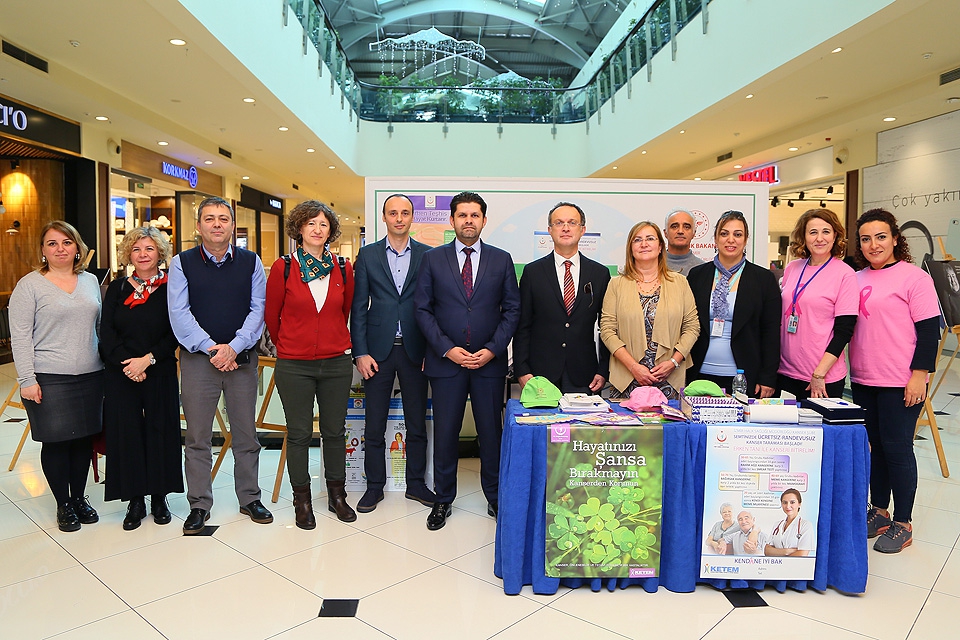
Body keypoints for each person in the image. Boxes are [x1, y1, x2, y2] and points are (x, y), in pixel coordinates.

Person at [414, 191, 521, 530]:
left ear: (484, 221)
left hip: (488, 363)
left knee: (492, 433)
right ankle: (443, 499)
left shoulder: (502, 259)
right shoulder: (433, 259)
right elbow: (423, 309)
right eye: (463, 215)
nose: (469, 221)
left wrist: (491, 349)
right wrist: (447, 349)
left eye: (475, 215)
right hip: (446, 363)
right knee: (446, 433)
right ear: (452, 220)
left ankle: (495, 496)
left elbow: (512, 310)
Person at [168, 196, 273, 534]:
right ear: (198, 226)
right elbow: (179, 314)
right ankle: (199, 504)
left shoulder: (251, 262)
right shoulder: (181, 263)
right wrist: (214, 348)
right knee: (198, 437)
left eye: (223, 218)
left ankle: (250, 498)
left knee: (246, 434)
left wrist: (234, 347)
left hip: (241, 360)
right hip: (200, 362)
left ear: (232, 226)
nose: (217, 224)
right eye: (210, 218)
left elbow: (258, 310)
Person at [849, 208, 940, 553]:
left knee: (898, 449)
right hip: (863, 378)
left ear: (896, 239)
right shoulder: (855, 279)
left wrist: (919, 375)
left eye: (881, 237)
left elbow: (929, 330)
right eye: (867, 239)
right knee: (875, 447)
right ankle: (880, 511)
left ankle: (903, 522)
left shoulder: (914, 278)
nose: (874, 245)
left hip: (901, 380)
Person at [266, 200, 357, 527]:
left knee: (334, 431)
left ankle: (337, 496)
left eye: (323, 225)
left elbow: (343, 312)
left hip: (336, 362)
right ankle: (301, 500)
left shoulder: (343, 268)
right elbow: (272, 316)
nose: (318, 230)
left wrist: (329, 340)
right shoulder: (284, 268)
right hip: (295, 365)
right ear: (299, 229)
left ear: (330, 230)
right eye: (311, 224)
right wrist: (292, 344)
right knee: (300, 433)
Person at [9, 221, 103, 533]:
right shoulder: (30, 285)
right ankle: (63, 503)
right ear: (43, 250)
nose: (60, 248)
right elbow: (20, 337)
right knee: (57, 441)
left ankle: (79, 498)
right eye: (52, 243)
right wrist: (27, 379)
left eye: (66, 242)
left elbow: (99, 329)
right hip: (48, 376)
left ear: (78, 248)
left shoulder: (90, 281)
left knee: (82, 442)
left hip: (91, 374)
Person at [350, 193, 435, 514]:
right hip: (377, 353)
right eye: (392, 213)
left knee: (416, 423)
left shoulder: (428, 255)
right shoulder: (368, 255)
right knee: (374, 424)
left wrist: (432, 350)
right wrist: (360, 351)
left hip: (416, 351)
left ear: (412, 218)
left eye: (405, 213)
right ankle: (374, 487)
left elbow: (432, 308)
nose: (399, 218)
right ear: (384, 218)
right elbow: (358, 309)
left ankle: (415, 483)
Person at [100, 227, 182, 531]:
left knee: (161, 430)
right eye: (136, 249)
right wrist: (128, 364)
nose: (143, 254)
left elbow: (175, 330)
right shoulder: (117, 289)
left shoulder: (172, 287)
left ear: (159, 253)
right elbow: (106, 332)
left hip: (158, 368)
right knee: (127, 433)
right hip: (122, 373)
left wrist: (147, 360)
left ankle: (159, 496)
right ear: (128, 254)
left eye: (149, 249)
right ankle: (135, 499)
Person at [514, 202, 610, 394]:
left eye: (572, 222)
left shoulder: (599, 273)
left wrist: (603, 369)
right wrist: (522, 370)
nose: (565, 228)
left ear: (582, 230)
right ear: (549, 230)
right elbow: (522, 325)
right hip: (540, 374)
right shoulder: (533, 272)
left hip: (585, 374)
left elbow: (606, 326)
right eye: (559, 223)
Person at [600, 221, 699, 401]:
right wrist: (633, 367)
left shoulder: (680, 283)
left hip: (669, 378)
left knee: (670, 428)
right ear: (631, 248)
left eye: (650, 238)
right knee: (627, 429)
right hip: (627, 378)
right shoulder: (616, 284)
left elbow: (692, 327)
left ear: (660, 246)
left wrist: (674, 362)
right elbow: (607, 331)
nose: (644, 244)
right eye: (637, 240)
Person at [687, 211, 781, 398]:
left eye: (737, 234)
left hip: (744, 377)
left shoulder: (763, 280)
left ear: (745, 240)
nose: (731, 240)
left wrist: (768, 377)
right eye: (724, 233)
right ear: (715, 239)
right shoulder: (697, 276)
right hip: (698, 374)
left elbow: (771, 332)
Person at [778, 209, 858, 400]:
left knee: (818, 429)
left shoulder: (845, 274)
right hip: (785, 372)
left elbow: (844, 331)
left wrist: (819, 374)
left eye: (826, 232)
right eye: (813, 232)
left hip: (821, 377)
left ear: (835, 236)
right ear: (804, 237)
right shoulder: (793, 268)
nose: (819, 238)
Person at [764, 488, 815, 557]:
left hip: (795, 567)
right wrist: (787, 551)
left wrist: (777, 553)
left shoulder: (805, 525)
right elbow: (767, 551)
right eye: (785, 502)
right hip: (776, 567)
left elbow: (803, 554)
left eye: (792, 502)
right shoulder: (777, 525)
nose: (788, 506)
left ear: (799, 504)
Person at [664, 209, 704, 276]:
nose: (680, 231)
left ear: (694, 233)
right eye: (674, 226)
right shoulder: (653, 265)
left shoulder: (703, 269)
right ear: (665, 233)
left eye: (686, 227)